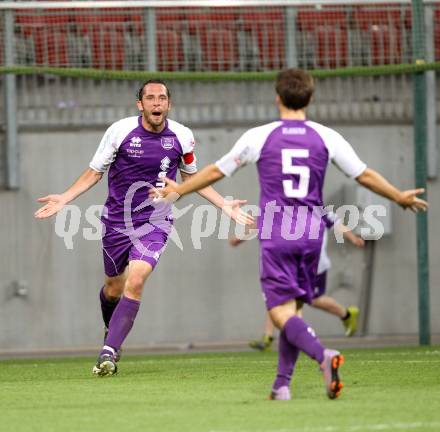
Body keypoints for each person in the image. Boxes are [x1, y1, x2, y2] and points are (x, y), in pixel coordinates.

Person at [152, 69, 428, 400]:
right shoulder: (327, 136)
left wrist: (179, 190)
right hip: (313, 233)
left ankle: (322, 356)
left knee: (279, 312)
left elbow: (215, 171)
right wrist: (398, 196)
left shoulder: (259, 136)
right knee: (294, 308)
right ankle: (282, 384)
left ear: (277, 97)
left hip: (279, 230)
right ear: (310, 98)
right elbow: (364, 175)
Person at [34, 79, 253, 377]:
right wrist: (65, 197)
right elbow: (95, 172)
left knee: (135, 281)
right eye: (150, 98)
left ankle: (108, 353)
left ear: (169, 104)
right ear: (140, 105)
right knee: (113, 289)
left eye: (162, 98)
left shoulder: (182, 136)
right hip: (116, 223)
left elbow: (192, 177)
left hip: (155, 222)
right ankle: (112, 332)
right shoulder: (120, 131)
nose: (156, 103)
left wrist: (223, 204)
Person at [233, 218, 364, 351]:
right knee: (279, 294)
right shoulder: (285, 204)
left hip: (314, 265)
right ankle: (269, 337)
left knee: (312, 299)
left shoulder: (318, 208)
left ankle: (346, 314)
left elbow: (337, 223)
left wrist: (353, 238)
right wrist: (241, 237)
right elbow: (264, 220)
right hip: (291, 261)